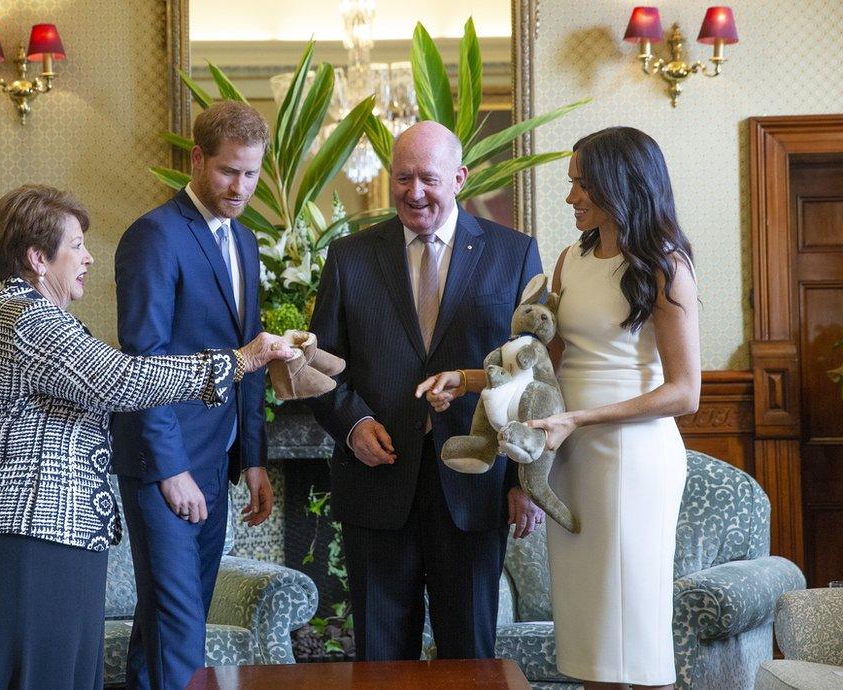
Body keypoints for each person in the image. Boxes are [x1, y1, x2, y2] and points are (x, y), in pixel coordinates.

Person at [0, 185, 290, 690]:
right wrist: (241, 360)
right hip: (30, 534)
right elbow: (123, 381)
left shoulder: (30, 315)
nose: (88, 257)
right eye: (76, 245)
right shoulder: (27, 319)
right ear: (37, 257)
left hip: (34, 533)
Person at [420, 126, 700, 689]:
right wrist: (468, 378)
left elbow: (685, 392)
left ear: (620, 184)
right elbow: (543, 367)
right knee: (590, 635)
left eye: (582, 184)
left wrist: (577, 419)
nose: (571, 196)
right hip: (566, 453)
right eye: (571, 183)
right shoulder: (572, 258)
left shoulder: (666, 266)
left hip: (631, 457)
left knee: (633, 633)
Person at [306, 120, 545, 662]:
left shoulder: (514, 254)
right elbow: (318, 369)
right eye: (403, 178)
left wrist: (523, 479)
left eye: (429, 179)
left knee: (470, 654)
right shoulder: (350, 257)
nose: (415, 193)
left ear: (459, 178)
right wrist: (351, 425)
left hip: (476, 485)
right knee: (381, 655)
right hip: (376, 483)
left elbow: (531, 375)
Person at [111, 100, 273, 688]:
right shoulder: (154, 235)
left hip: (216, 458)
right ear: (199, 159)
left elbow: (249, 354)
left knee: (173, 618)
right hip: (167, 460)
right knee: (180, 623)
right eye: (230, 171)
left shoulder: (247, 241)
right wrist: (169, 469)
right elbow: (139, 362)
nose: (241, 187)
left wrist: (253, 460)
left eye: (252, 173)